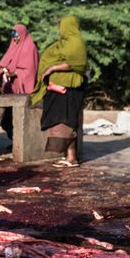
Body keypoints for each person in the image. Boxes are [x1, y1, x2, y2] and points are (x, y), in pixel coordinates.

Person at [30, 15, 87, 167]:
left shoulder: (76, 42)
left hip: (70, 90)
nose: (60, 29)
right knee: (61, 122)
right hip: (58, 90)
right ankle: (69, 156)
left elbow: (77, 63)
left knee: (67, 123)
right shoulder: (61, 44)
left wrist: (53, 68)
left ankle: (71, 158)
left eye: (62, 25)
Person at [0, 24, 39, 140]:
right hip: (11, 90)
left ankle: (19, 144)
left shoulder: (30, 47)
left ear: (23, 34)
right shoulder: (13, 47)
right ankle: (15, 142)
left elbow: (30, 70)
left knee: (19, 120)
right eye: (12, 34)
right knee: (7, 122)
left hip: (22, 89)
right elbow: (4, 63)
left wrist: (14, 73)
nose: (14, 38)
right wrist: (4, 71)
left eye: (17, 34)